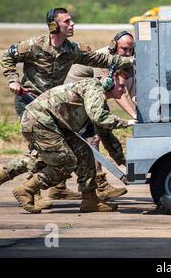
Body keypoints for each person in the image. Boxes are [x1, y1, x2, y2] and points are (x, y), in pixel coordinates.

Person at [0, 7, 134, 209]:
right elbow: (7, 57)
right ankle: (29, 190)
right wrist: (12, 79)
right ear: (54, 26)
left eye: (71, 21)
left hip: (55, 108)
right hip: (30, 102)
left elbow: (102, 59)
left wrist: (130, 60)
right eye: (67, 21)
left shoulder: (72, 50)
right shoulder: (33, 46)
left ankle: (79, 196)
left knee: (63, 151)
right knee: (45, 153)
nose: (72, 25)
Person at [13, 68, 135, 213]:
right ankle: (26, 189)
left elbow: (104, 132)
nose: (123, 90)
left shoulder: (98, 97)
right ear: (109, 82)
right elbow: (97, 117)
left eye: (125, 87)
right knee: (66, 161)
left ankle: (90, 200)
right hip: (39, 121)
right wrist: (126, 123)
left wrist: (122, 160)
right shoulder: (95, 89)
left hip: (53, 123)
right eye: (121, 86)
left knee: (85, 153)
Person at [63, 31, 137, 201]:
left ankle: (58, 188)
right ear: (114, 47)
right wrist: (133, 116)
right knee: (93, 137)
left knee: (97, 135)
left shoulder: (127, 61)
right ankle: (100, 183)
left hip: (91, 95)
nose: (127, 53)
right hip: (75, 98)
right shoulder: (103, 58)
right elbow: (116, 92)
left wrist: (142, 112)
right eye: (124, 49)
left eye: (130, 50)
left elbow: (131, 89)